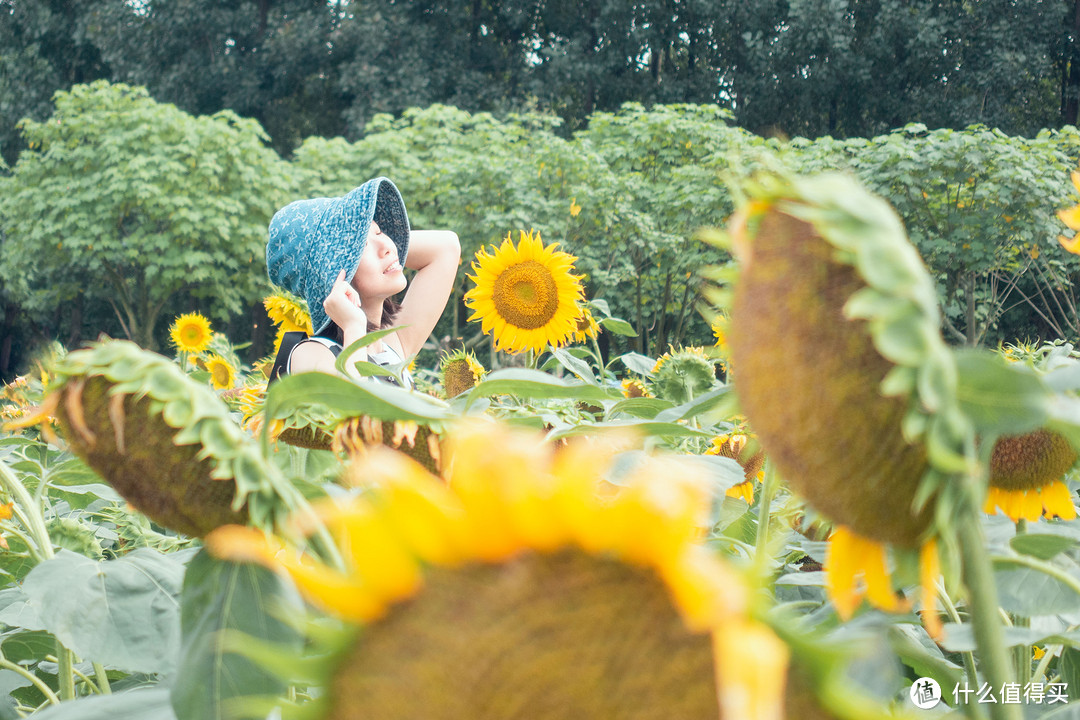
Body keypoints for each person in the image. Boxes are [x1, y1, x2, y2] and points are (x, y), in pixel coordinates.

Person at [265, 177, 460, 388]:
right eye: (362, 246)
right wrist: (353, 326)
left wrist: (394, 243)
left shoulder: (392, 348)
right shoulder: (311, 353)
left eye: (379, 232)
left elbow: (446, 247)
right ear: (330, 276)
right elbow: (352, 412)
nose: (387, 245)